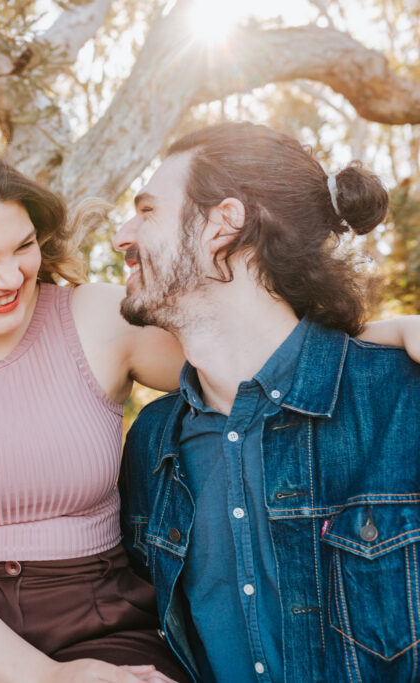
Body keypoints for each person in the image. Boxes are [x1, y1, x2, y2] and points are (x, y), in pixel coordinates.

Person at [0, 140, 417, 683]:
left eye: (24, 247)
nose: (10, 277)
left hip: (98, 615)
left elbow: (247, 352)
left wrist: (384, 333)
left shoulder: (98, 319)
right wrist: (44, 678)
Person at [114, 122, 420, 682]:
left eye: (148, 211)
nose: (122, 235)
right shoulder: (150, 446)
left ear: (222, 225)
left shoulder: (404, 399)